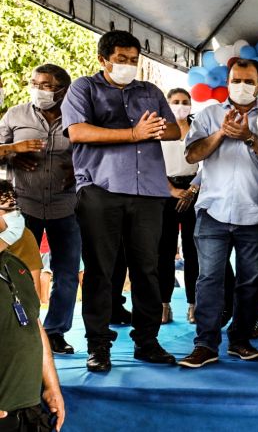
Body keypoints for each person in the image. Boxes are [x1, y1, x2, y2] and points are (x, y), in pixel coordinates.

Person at [61, 30, 180, 372]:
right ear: (103, 59)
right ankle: (98, 345)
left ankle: (147, 341)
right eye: (121, 60)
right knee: (101, 270)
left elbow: (173, 130)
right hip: (100, 189)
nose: (128, 66)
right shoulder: (84, 88)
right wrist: (131, 134)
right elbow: (78, 132)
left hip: (148, 193)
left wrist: (156, 129)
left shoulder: (150, 91)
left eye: (133, 60)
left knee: (148, 268)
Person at [178, 59, 258, 368]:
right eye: (236, 80)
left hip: (255, 211)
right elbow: (192, 154)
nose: (241, 86)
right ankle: (205, 344)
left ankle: (240, 340)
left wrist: (247, 136)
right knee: (209, 280)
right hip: (212, 211)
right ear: (227, 82)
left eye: (248, 81)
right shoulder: (209, 114)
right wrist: (220, 134)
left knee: (251, 281)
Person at [0, 64, 82, 355]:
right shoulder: (15, 115)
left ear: (62, 89)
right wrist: (14, 151)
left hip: (67, 206)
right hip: (25, 205)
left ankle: (56, 331)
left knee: (67, 273)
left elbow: (96, 154)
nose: (38, 88)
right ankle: (21, 331)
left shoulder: (78, 115)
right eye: (34, 83)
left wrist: (80, 167)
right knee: (17, 270)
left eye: (45, 85)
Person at [0, 211, 66, 432]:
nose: (13, 216)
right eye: (5, 209)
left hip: (31, 406)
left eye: (12, 208)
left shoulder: (14, 265)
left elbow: (34, 327)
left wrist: (51, 387)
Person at [157, 88, 200, 324]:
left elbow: (207, 159)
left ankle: (194, 305)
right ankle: (164, 304)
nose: (181, 106)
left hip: (195, 189)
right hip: (166, 191)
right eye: (175, 102)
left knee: (193, 250)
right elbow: (151, 162)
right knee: (164, 251)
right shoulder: (159, 127)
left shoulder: (199, 127)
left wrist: (193, 189)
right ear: (167, 103)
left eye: (185, 102)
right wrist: (172, 190)